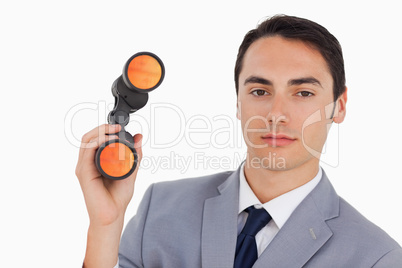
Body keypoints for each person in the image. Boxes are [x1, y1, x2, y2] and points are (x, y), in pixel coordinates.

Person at [76, 15, 402, 267]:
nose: (276, 114)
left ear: (339, 106)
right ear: (238, 102)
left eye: (303, 92)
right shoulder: (160, 209)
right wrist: (105, 226)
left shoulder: (377, 257)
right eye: (260, 91)